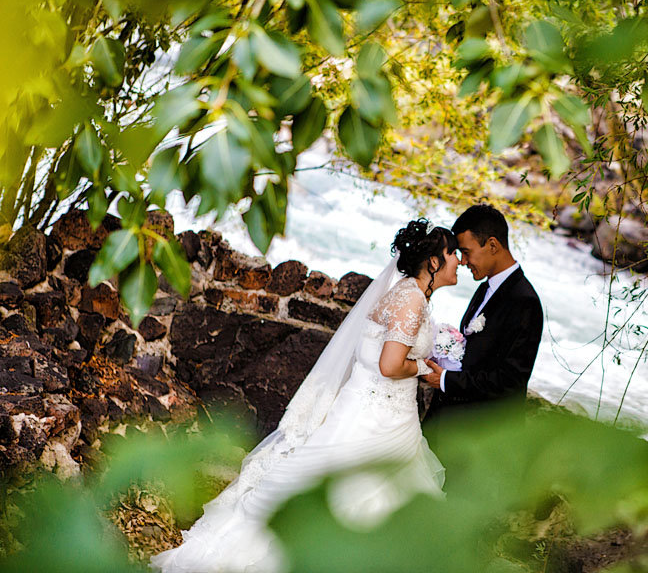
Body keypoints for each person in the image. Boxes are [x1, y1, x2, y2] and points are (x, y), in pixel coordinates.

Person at [151, 219, 459, 573]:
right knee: (359, 494)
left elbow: (375, 351)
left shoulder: (402, 291)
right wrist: (424, 368)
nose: (459, 262)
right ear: (434, 262)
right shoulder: (412, 299)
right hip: (377, 417)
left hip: (380, 409)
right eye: (453, 254)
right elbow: (390, 365)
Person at [423, 204, 543, 418]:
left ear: (492, 245)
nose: (462, 261)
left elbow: (511, 380)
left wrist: (445, 380)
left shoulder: (525, 301)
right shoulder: (486, 288)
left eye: (467, 252)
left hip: (480, 427)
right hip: (451, 418)